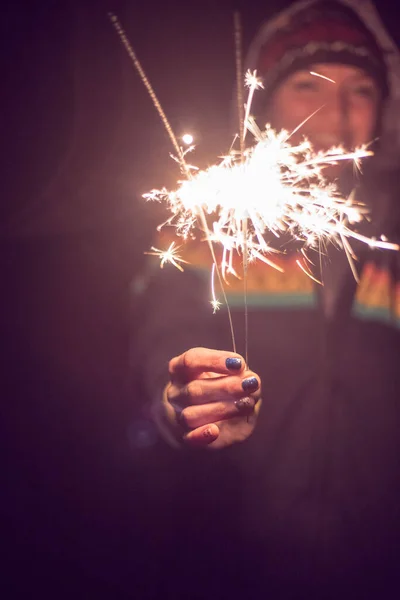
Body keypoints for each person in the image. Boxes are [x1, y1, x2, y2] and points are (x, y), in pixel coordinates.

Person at [134, 0, 400, 597]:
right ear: (263, 104)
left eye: (360, 90)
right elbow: (158, 352)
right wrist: (182, 403)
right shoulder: (203, 228)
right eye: (308, 85)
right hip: (230, 558)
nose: (336, 113)